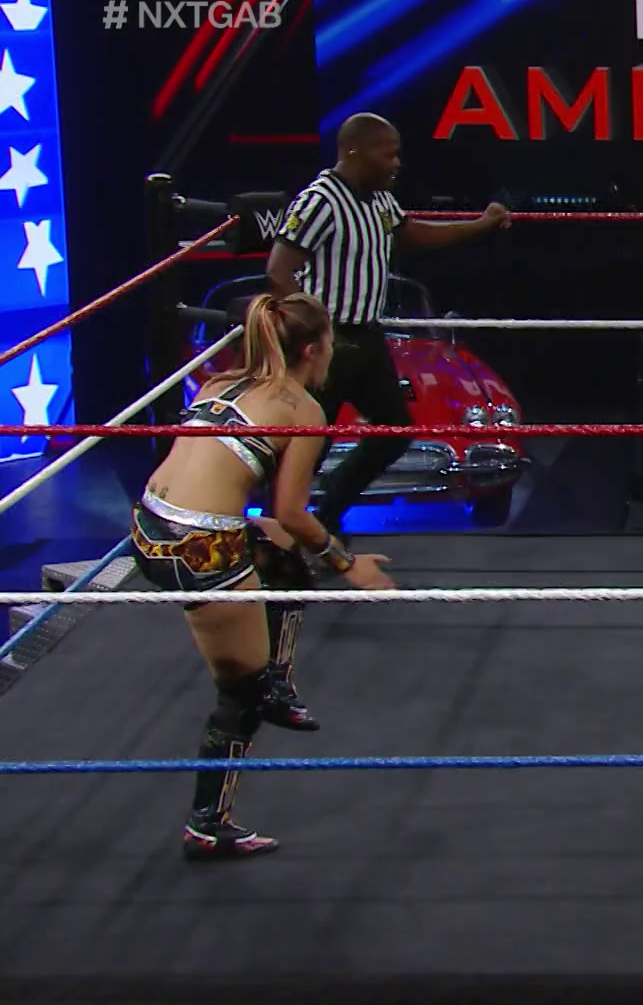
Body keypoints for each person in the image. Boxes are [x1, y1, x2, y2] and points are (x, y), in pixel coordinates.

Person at [130, 293, 395, 860]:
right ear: (312, 350)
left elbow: (276, 521)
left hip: (148, 522)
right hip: (199, 546)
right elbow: (295, 512)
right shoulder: (304, 410)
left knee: (283, 553)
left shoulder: (220, 382)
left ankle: (277, 680)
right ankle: (208, 824)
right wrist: (349, 565)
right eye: (330, 344)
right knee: (238, 695)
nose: (333, 355)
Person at [265, 112, 511, 536]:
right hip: (328, 341)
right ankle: (283, 539)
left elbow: (415, 233)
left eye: (397, 154)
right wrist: (311, 333)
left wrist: (481, 225)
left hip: (367, 335)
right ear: (353, 151)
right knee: (310, 444)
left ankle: (325, 519)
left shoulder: (379, 200)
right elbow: (278, 270)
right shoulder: (320, 201)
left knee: (394, 431)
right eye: (387, 153)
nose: (396, 163)